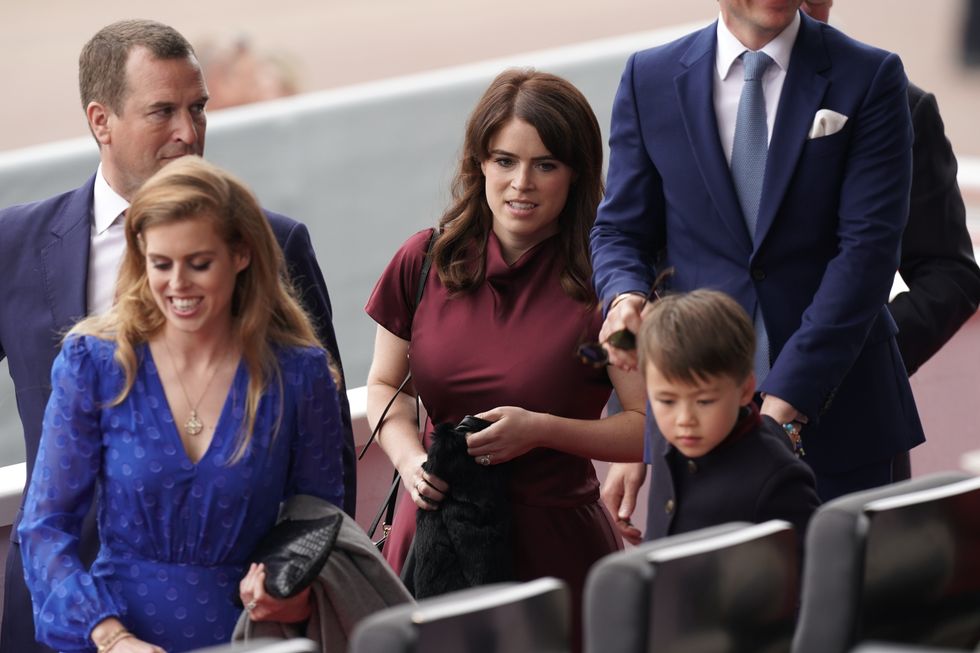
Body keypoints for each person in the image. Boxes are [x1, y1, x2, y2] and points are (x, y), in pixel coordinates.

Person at [0, 19, 356, 653]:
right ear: (100, 121)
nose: (188, 133)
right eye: (163, 111)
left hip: (249, 624)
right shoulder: (16, 245)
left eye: (198, 109)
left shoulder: (277, 246)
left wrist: (291, 581)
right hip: (65, 617)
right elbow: (46, 519)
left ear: (241, 257)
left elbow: (321, 485)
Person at [591, 2, 924, 512]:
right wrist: (625, 296)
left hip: (841, 420)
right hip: (691, 434)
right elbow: (620, 229)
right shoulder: (649, 77)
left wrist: (784, 405)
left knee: (839, 591)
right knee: (701, 593)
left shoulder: (871, 75)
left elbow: (869, 254)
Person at [364, 69, 645, 647]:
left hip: (557, 547)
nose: (522, 183)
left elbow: (647, 428)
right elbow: (386, 387)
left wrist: (541, 431)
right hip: (431, 537)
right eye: (504, 160)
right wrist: (410, 460)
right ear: (478, 165)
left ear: (576, 174)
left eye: (546, 164)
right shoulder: (424, 260)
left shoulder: (606, 287)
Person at [801, 0, 980, 377]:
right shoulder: (658, 87)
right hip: (687, 402)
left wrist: (859, 361)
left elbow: (948, 273)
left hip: (839, 412)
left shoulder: (897, 104)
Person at [637, 289, 819, 548]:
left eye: (704, 401)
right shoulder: (662, 428)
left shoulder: (778, 476)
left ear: (745, 389)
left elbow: (807, 574)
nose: (684, 419)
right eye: (666, 401)